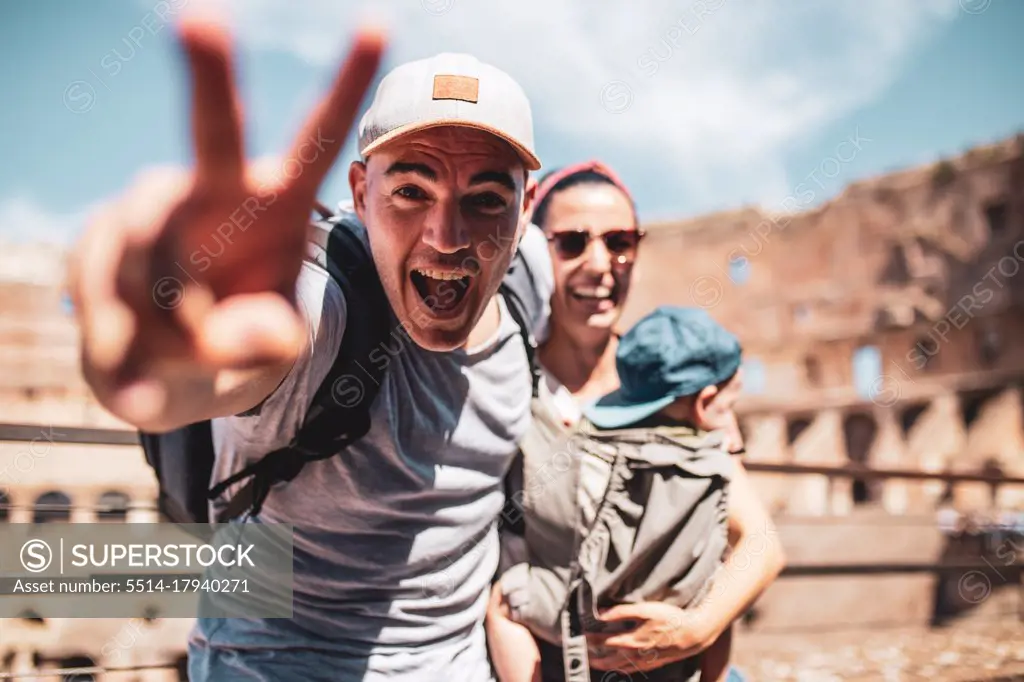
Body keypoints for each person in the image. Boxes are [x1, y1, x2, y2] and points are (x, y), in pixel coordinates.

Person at [67, 13, 556, 682]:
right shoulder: (320, 313)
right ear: (360, 193)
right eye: (411, 191)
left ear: (525, 212)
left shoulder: (530, 289)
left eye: (486, 198)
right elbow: (209, 376)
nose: (447, 235)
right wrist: (149, 352)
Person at [484, 161, 785, 680]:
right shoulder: (502, 386)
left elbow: (757, 540)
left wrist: (696, 630)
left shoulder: (675, 389)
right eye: (572, 242)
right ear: (535, 252)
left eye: (620, 241)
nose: (600, 264)